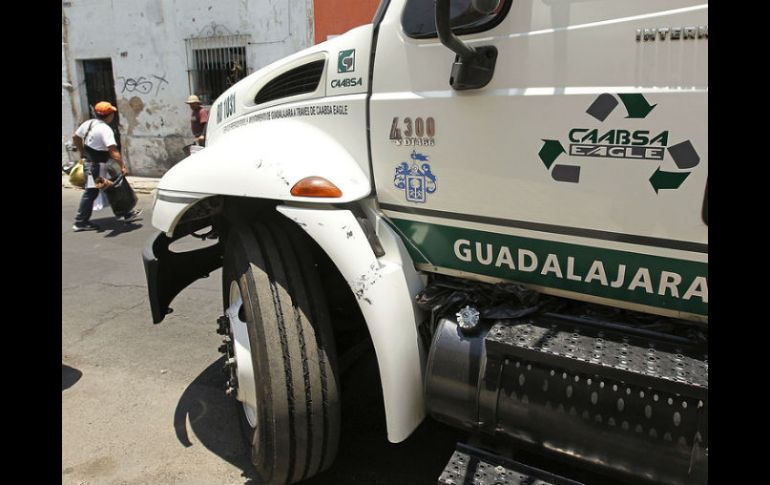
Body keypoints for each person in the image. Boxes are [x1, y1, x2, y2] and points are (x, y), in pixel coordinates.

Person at [71, 101, 142, 232]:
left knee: (114, 188)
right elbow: (113, 150)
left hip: (93, 164)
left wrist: (81, 152)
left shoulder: (89, 123)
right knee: (96, 192)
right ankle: (80, 222)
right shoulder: (105, 129)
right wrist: (123, 166)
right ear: (109, 115)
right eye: (112, 113)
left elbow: (75, 137)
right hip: (97, 167)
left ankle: (126, 213)